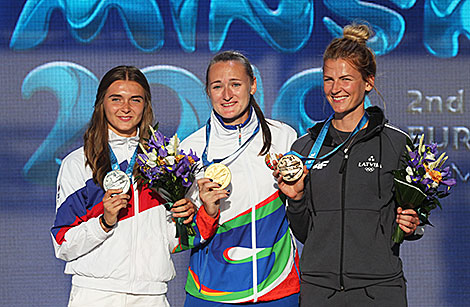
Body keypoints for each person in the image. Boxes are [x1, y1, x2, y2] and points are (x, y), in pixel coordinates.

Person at [274, 24, 422, 306]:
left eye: (346, 79)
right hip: (319, 291)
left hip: (380, 291)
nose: (335, 89)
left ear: (368, 82)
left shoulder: (397, 144)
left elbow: (412, 218)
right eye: (329, 79)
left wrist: (413, 225)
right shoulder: (304, 148)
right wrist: (295, 200)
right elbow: (305, 232)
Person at [50, 66, 216, 306]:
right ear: (101, 104)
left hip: (152, 295)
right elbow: (62, 243)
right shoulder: (79, 163)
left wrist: (190, 216)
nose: (125, 108)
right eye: (116, 99)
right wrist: (104, 222)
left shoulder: (168, 162)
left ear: (145, 105)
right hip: (95, 293)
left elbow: (178, 239)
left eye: (135, 100)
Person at [180, 51, 301, 306]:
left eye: (235, 84)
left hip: (277, 290)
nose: (227, 95)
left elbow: (303, 211)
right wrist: (207, 213)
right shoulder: (189, 150)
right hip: (212, 294)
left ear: (253, 85)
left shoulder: (284, 137)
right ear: (208, 91)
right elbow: (179, 234)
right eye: (217, 86)